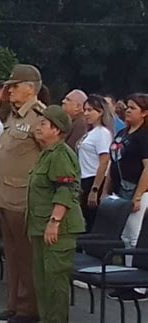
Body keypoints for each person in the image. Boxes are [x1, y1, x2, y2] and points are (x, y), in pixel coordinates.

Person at [0, 64, 45, 323]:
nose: (9, 90)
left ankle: (28, 308)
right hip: (5, 195)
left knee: (26, 256)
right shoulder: (14, 115)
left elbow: (47, 157)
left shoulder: (39, 117)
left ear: (30, 88)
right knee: (11, 255)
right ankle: (13, 303)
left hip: (24, 198)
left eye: (14, 86)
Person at [27, 105, 85, 323]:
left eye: (44, 124)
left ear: (57, 130)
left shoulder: (61, 154)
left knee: (55, 283)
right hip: (41, 227)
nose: (38, 127)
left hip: (57, 230)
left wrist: (55, 221)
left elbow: (67, 188)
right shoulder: (46, 154)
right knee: (43, 282)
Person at [102, 93, 148, 301]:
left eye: (134, 108)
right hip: (120, 187)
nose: (128, 110)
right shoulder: (123, 132)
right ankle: (127, 278)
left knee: (135, 236)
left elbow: (147, 167)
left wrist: (138, 196)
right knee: (125, 237)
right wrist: (105, 188)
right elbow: (114, 162)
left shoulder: (144, 136)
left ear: (145, 113)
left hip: (137, 190)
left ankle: (139, 285)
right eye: (127, 106)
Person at [77, 95, 112, 232]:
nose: (86, 113)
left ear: (100, 112)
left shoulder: (102, 133)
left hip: (94, 179)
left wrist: (95, 188)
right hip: (84, 178)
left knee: (91, 219)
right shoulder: (90, 133)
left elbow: (104, 161)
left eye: (90, 110)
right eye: (85, 110)